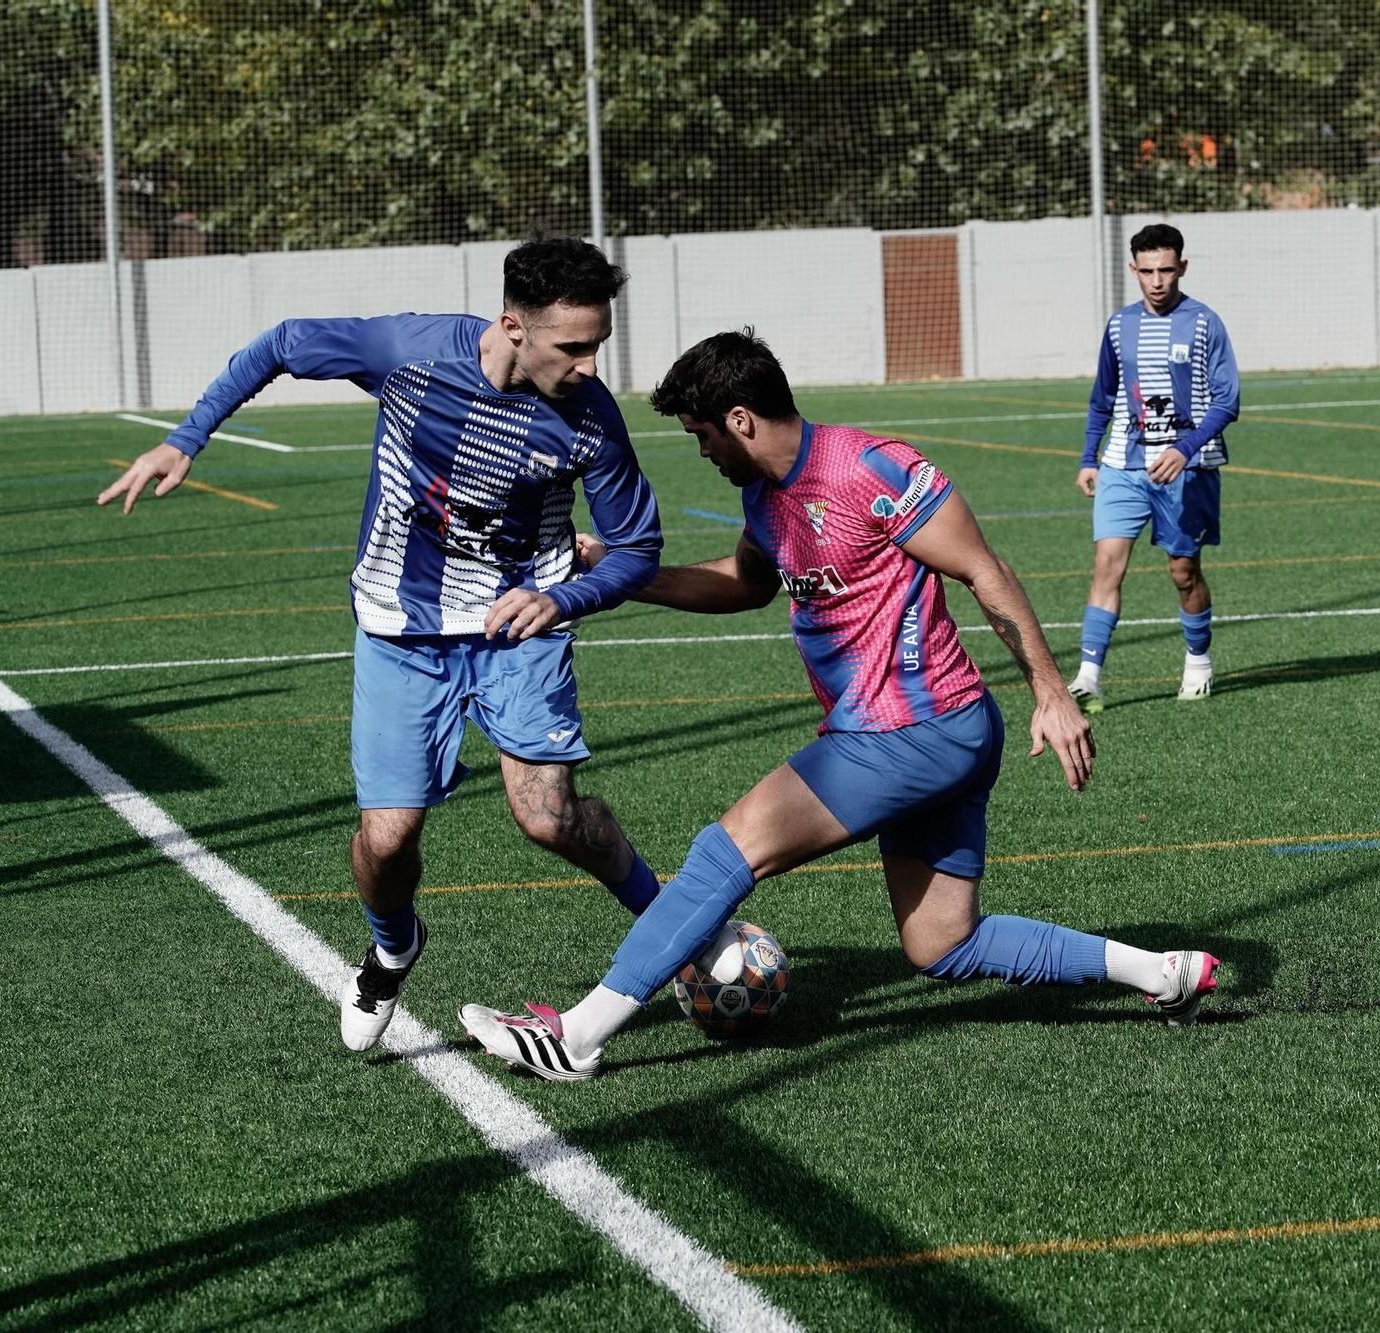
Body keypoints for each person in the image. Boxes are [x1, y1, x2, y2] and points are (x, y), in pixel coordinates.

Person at [460, 329, 1221, 1081]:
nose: (702, 453)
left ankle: (578, 1036)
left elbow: (984, 571)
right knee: (941, 943)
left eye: (701, 435)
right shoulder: (765, 497)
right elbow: (746, 584)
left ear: (740, 420)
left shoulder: (873, 468)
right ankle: (1164, 973)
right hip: (935, 734)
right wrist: (621, 575)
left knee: (725, 850)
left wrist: (1052, 694)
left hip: (910, 730)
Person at [96, 237, 709, 1054]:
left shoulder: (591, 416)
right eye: (572, 346)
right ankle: (392, 949)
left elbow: (636, 547)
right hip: (401, 628)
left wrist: (560, 597)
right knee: (387, 841)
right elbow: (282, 343)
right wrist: (187, 437)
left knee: (550, 817)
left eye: (597, 343)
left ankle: (675, 929)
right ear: (512, 327)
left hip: (518, 628)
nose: (590, 365)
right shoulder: (412, 353)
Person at [1069, 222, 1239, 713]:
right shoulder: (1119, 326)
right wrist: (1089, 457)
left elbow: (1227, 401)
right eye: (1147, 271)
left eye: (1166, 270)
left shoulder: (1205, 323)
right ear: (1133, 270)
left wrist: (1185, 448)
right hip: (1123, 465)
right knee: (1107, 564)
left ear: (1182, 267)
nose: (1157, 281)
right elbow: (1102, 398)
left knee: (1183, 572)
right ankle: (1088, 677)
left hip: (1188, 468)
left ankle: (1198, 662)